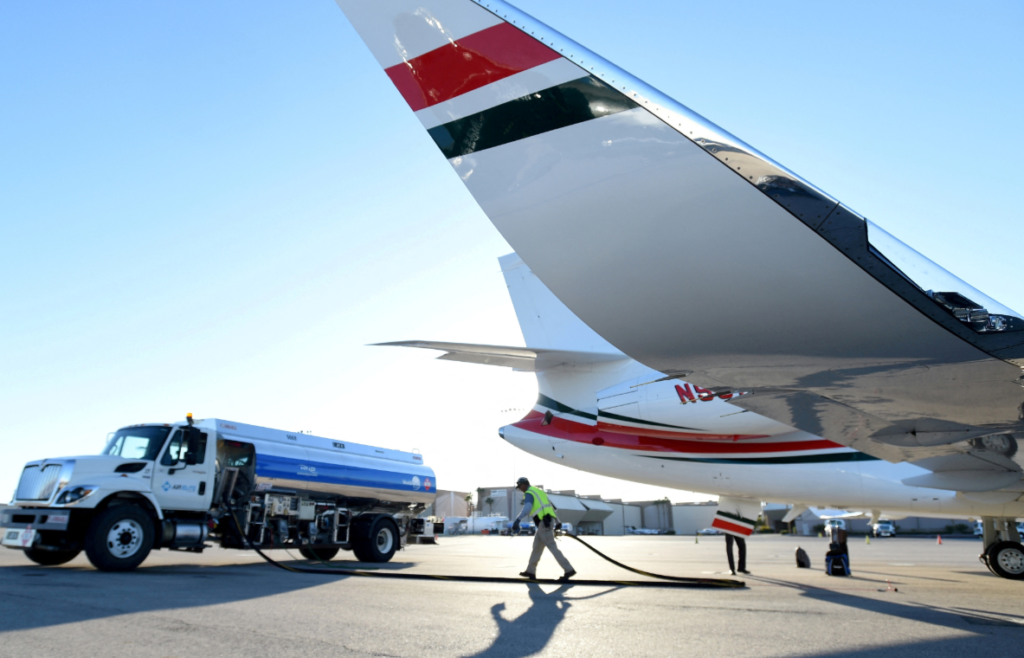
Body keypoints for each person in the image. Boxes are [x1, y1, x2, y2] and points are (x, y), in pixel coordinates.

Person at [511, 477, 576, 581]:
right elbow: (550, 507)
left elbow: (527, 507)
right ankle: (530, 571)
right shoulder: (539, 491)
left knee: (552, 547)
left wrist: (518, 520)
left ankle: (569, 569)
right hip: (545, 522)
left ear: (524, 484)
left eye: (520, 486)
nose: (520, 489)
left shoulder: (529, 493)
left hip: (543, 523)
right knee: (537, 547)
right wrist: (557, 521)